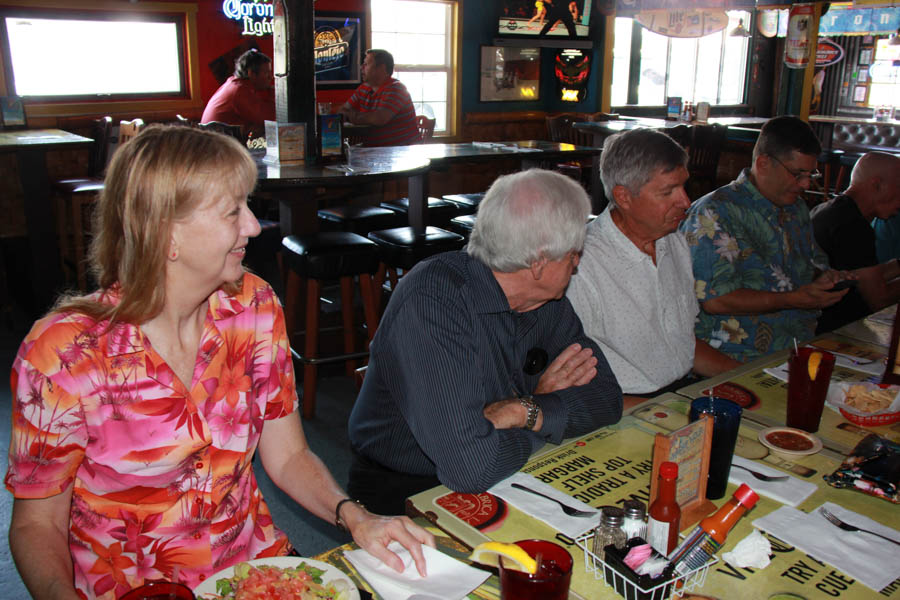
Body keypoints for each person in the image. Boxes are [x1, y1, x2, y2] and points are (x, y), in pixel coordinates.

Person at [5, 126, 433, 600]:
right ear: (167, 233)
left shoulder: (253, 307)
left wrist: (356, 516)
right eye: (234, 211)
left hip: (252, 573)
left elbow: (288, 456)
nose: (253, 225)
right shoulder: (63, 354)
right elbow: (36, 523)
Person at [347, 168, 623, 516]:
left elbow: (607, 400)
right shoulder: (433, 301)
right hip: (404, 496)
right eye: (574, 253)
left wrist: (522, 409)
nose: (578, 263)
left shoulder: (548, 304)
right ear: (539, 262)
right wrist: (545, 412)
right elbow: (470, 467)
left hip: (508, 474)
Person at [567, 129, 741, 401]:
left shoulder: (673, 241)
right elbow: (567, 384)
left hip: (680, 393)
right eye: (668, 191)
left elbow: (681, 344)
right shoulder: (581, 267)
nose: (685, 201)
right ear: (623, 197)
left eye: (683, 186)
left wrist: (745, 375)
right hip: (622, 407)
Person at [679, 116, 850, 362]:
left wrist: (823, 278)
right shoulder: (714, 212)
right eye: (797, 174)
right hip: (737, 354)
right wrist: (794, 300)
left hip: (799, 344)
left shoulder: (796, 209)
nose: (804, 184)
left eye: (811, 175)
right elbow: (716, 301)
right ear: (764, 163)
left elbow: (809, 264)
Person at [811, 151, 900, 332]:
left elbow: (864, 276)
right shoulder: (851, 224)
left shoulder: (830, 210)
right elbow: (879, 299)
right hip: (830, 332)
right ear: (877, 185)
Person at [338, 49, 419, 146]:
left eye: (366, 64)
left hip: (401, 152)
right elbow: (342, 110)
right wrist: (359, 117)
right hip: (376, 150)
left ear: (381, 68)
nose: (361, 67)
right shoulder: (364, 88)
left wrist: (352, 116)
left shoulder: (397, 89)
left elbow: (379, 118)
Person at [201, 48, 275, 139]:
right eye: (267, 73)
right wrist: (275, 94)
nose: (270, 77)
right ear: (251, 73)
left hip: (213, 142)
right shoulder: (239, 91)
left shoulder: (233, 83)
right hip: (219, 146)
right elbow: (269, 119)